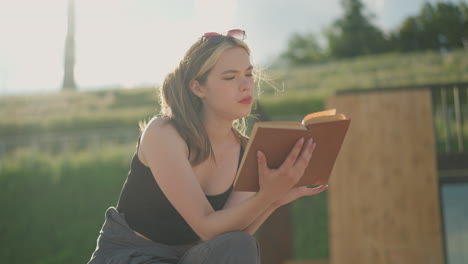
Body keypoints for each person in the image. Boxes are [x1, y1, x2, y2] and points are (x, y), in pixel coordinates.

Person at [87, 29, 328, 264]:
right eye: (230, 77)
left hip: (193, 256)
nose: (245, 85)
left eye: (248, 74)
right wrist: (267, 195)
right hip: (132, 255)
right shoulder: (164, 133)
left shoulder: (246, 152)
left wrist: (273, 200)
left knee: (239, 244)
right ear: (198, 87)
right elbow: (206, 226)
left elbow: (232, 236)